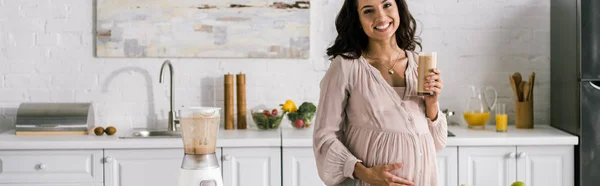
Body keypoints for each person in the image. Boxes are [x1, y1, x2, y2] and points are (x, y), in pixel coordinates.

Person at [312, 0, 448, 185]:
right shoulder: (346, 66)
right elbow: (324, 137)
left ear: (398, 8)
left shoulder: (419, 63)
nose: (381, 16)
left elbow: (437, 143)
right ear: (358, 19)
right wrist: (365, 173)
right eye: (368, 11)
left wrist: (432, 105)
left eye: (387, 5)